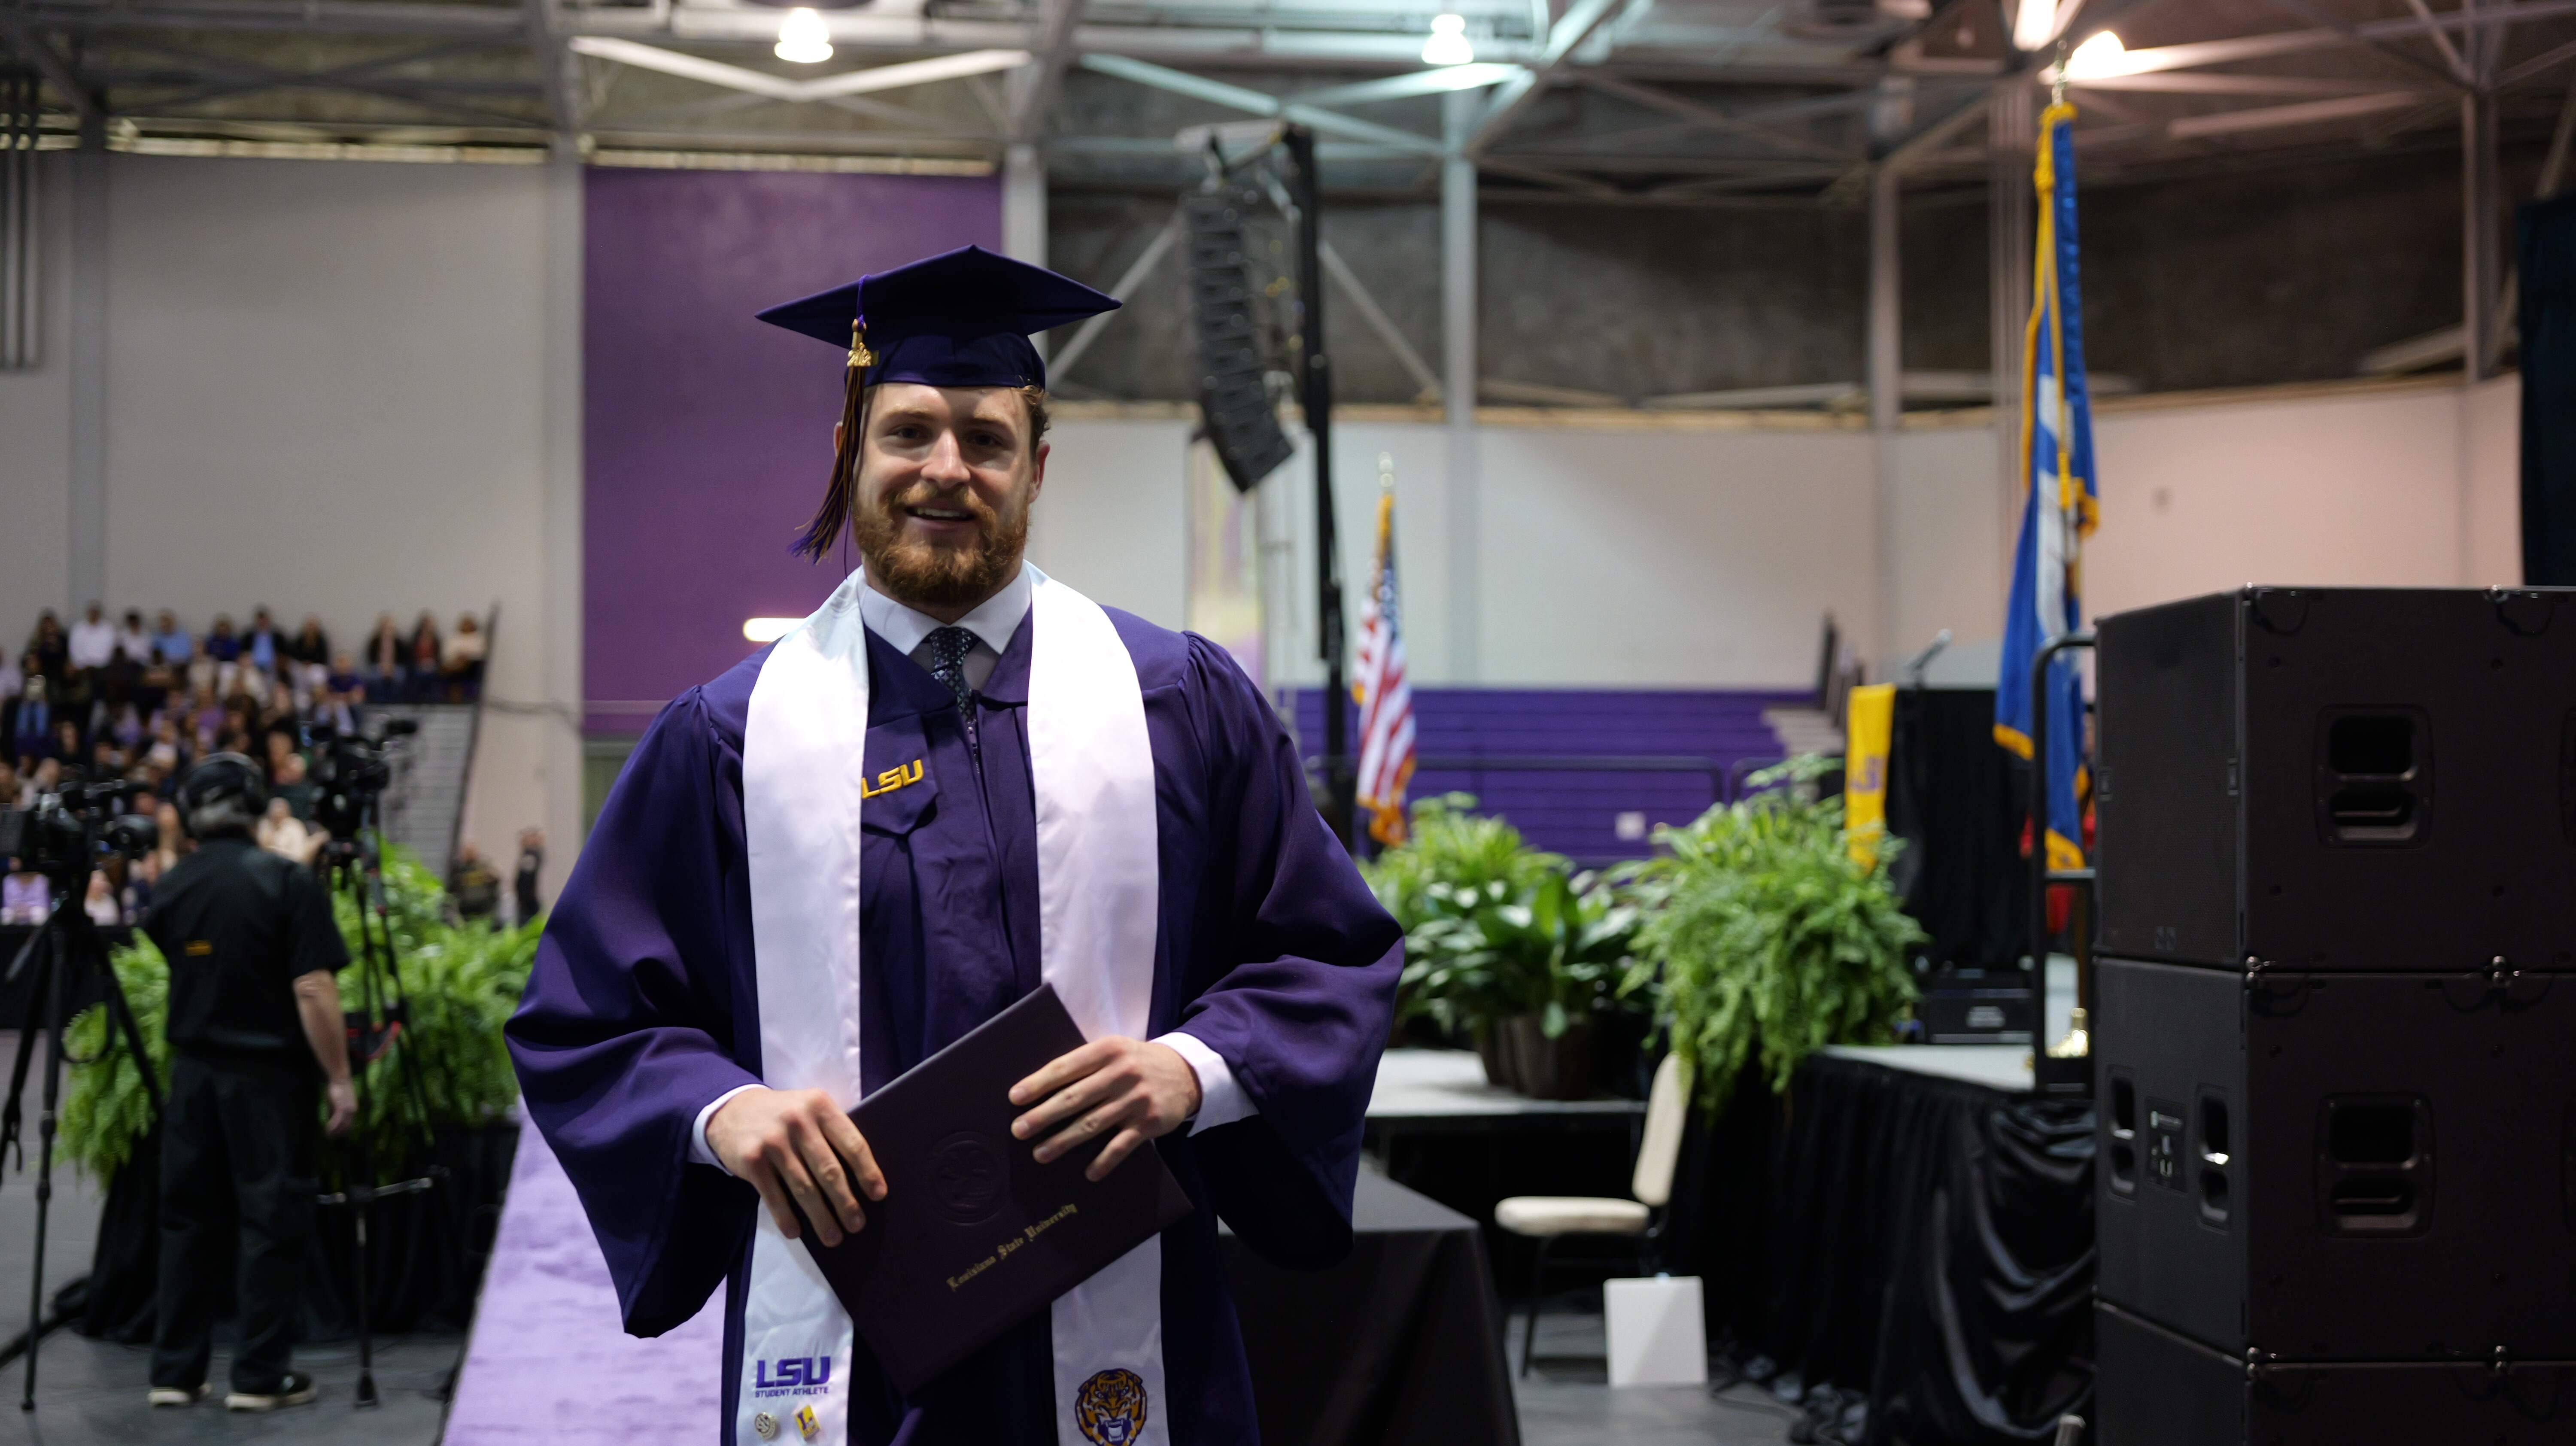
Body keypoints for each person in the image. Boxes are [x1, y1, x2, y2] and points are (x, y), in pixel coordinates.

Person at [506, 246, 1402, 1446]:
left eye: (985, 439)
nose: (946, 468)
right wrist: (722, 1114)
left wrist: (1195, 1067)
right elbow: (588, 1017)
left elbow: (1327, 955)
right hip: (851, 1344)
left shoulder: (1178, 706)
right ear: (850, 456)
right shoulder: (727, 738)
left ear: (1037, 468)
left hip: (1121, 1321)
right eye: (909, 432)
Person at [141, 754, 355, 1412]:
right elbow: (313, 988)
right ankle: (258, 1379)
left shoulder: (173, 886)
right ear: (257, 803)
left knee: (186, 1223)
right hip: (266, 1081)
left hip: (194, 1078)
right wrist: (340, 1079)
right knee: (269, 1223)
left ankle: (175, 1374)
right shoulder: (287, 882)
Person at [447, 841, 500, 923]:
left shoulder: (484, 866)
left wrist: (490, 877)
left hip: (483, 905)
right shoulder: (459, 869)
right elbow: (452, 887)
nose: (470, 855)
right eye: (468, 853)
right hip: (465, 906)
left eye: (472, 852)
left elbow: (496, 879)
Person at [511, 828, 544, 927]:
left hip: (529, 901)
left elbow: (526, 877)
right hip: (524, 900)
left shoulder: (532, 856)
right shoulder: (527, 855)